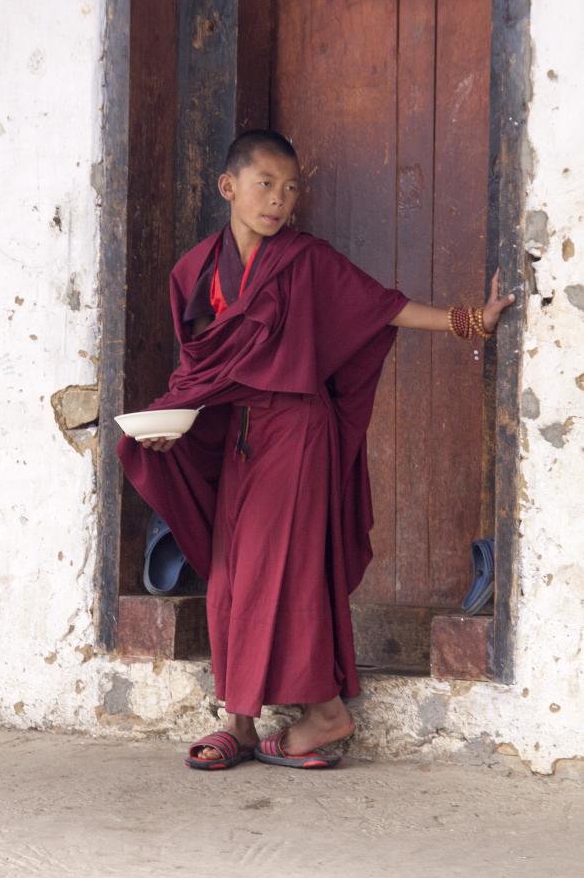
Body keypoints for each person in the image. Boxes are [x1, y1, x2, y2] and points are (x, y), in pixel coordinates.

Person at [116, 129, 515, 770]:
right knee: (229, 575)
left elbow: (384, 309)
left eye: (291, 188)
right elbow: (200, 374)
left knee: (284, 574)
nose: (279, 200)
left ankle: (324, 713)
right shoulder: (194, 272)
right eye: (265, 184)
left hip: (299, 433)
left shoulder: (306, 260)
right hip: (239, 439)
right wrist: (169, 422)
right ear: (229, 187)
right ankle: (240, 722)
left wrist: (472, 320)